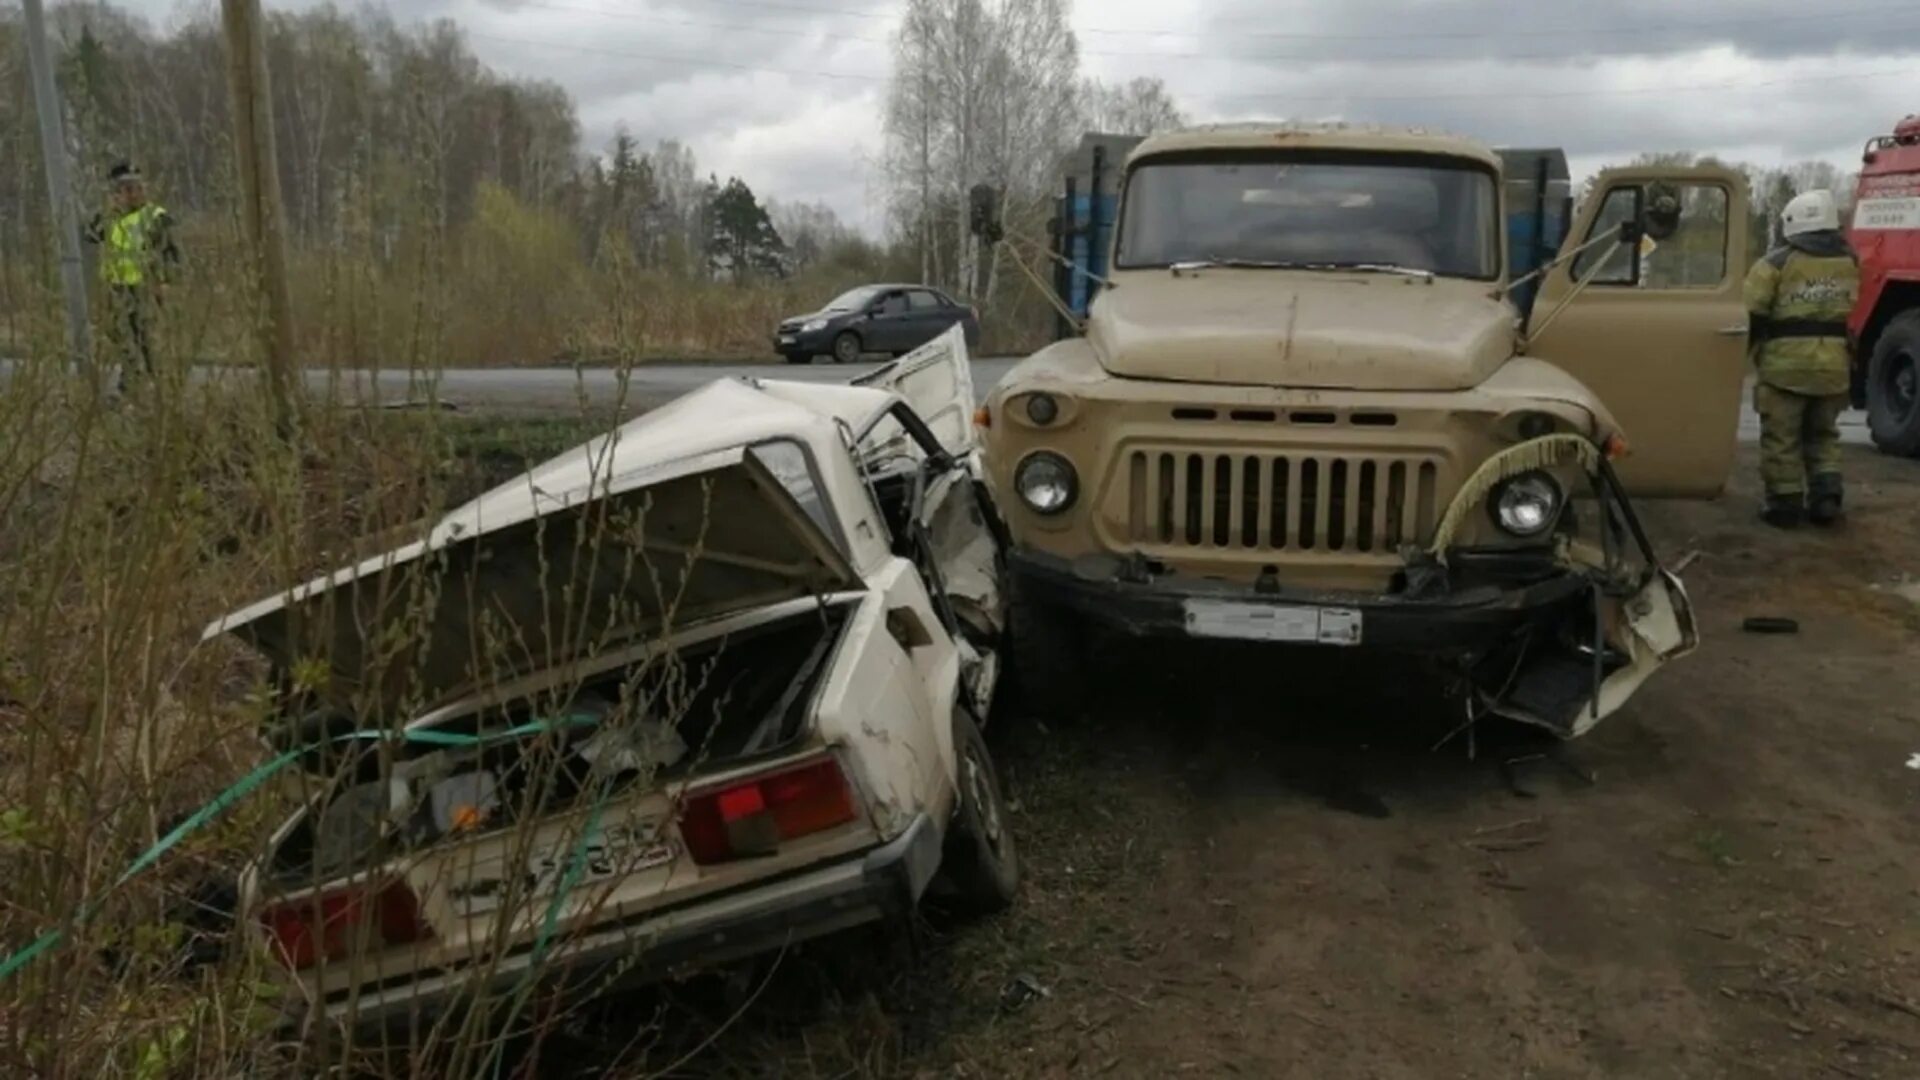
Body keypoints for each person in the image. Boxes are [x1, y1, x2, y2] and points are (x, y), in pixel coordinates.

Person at [1742, 189, 1859, 528]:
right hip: (1833, 364)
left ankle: (1785, 504)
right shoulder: (1849, 261)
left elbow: (1752, 311)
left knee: (1782, 437)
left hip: (1785, 367)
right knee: (1823, 433)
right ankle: (1826, 498)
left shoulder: (1774, 264)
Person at [84, 161, 180, 387]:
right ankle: (134, 378)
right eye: (127, 189)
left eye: (138, 188)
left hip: (144, 287)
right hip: (116, 288)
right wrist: (107, 210)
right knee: (120, 335)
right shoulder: (110, 218)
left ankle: (146, 381)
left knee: (145, 337)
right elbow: (90, 236)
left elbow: (170, 251)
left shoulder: (154, 216)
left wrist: (165, 282)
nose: (135, 194)